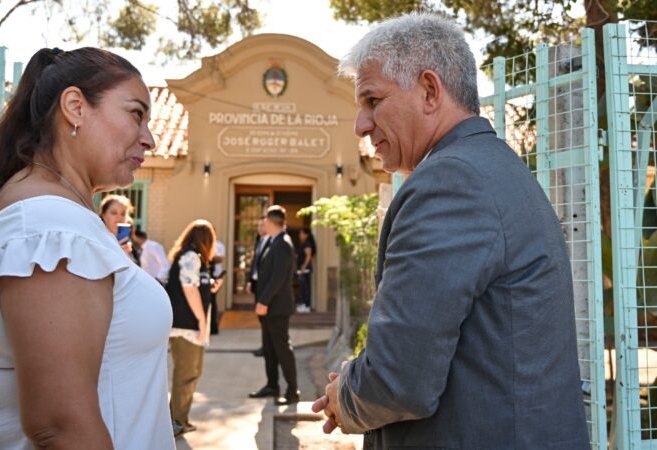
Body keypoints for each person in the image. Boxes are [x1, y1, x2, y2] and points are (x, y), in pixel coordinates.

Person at [312, 13, 590, 449]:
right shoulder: (489, 168)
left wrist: (345, 397)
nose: (360, 125)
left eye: (372, 100)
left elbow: (398, 378)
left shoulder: (451, 183)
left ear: (428, 90)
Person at [0, 47, 175, 449]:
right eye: (136, 114)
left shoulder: (42, 216)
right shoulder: (50, 229)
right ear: (75, 107)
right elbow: (60, 425)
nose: (149, 138)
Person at [165, 219, 222, 437]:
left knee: (192, 373)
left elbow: (196, 287)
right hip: (185, 326)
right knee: (186, 375)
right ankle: (175, 422)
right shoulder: (190, 256)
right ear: (205, 240)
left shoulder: (195, 258)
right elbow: (189, 290)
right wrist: (201, 321)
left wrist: (212, 288)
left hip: (190, 326)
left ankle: (179, 419)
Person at [247, 205, 299, 405]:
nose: (263, 224)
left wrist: (264, 301)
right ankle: (272, 385)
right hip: (269, 307)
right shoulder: (272, 241)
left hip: (277, 307)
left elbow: (278, 278)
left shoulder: (283, 244)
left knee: (282, 349)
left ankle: (292, 391)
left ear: (271, 222)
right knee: (269, 348)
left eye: (265, 221)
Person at [246, 217, 269, 357]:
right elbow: (255, 263)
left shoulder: (272, 243)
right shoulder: (259, 241)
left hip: (265, 287)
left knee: (266, 320)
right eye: (258, 226)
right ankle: (264, 346)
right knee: (261, 318)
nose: (259, 228)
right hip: (257, 284)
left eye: (262, 225)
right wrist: (250, 281)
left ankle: (266, 348)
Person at [99, 194, 139, 264]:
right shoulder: (97, 242)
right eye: (114, 213)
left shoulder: (130, 244)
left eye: (123, 214)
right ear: (103, 215)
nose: (119, 217)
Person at [295, 227, 316, 313]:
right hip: (301, 269)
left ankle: (306, 305)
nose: (300, 235)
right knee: (302, 287)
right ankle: (303, 303)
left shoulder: (307, 244)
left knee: (306, 287)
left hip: (305, 269)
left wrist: (304, 266)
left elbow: (308, 256)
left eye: (302, 233)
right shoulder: (303, 244)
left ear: (306, 235)